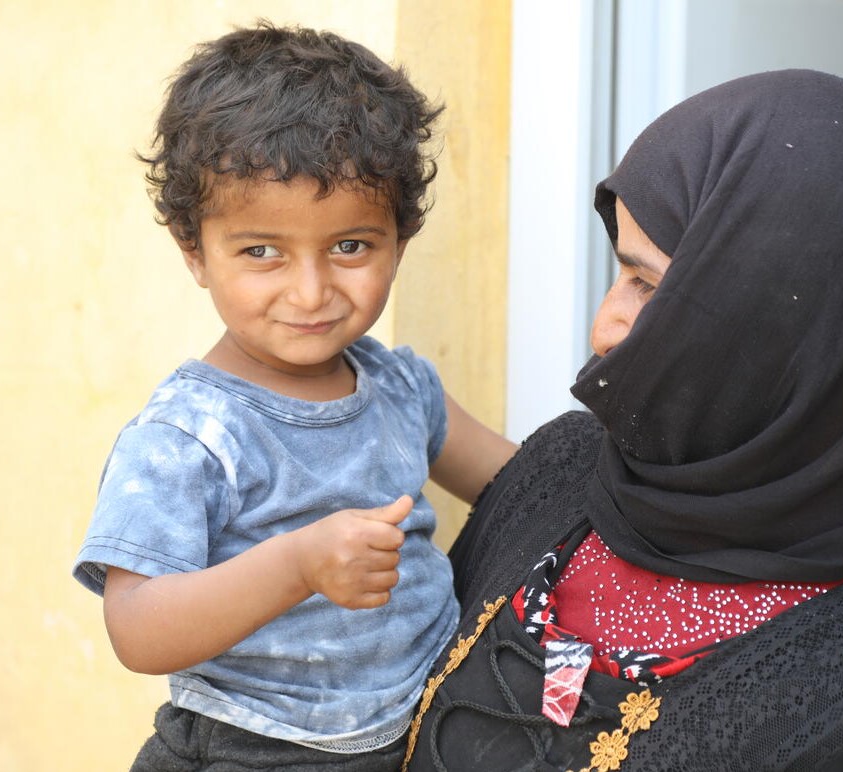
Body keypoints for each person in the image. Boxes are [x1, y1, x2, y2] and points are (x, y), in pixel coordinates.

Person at [402, 70, 843, 771]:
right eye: (619, 272)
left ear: (780, 331)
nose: (605, 327)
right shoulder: (567, 472)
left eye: (649, 284)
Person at [72, 22, 516, 771]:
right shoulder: (190, 434)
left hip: (419, 734)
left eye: (350, 246)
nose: (310, 293)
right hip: (257, 750)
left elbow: (524, 481)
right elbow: (138, 629)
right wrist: (298, 567)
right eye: (261, 252)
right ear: (195, 251)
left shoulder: (401, 388)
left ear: (398, 242)